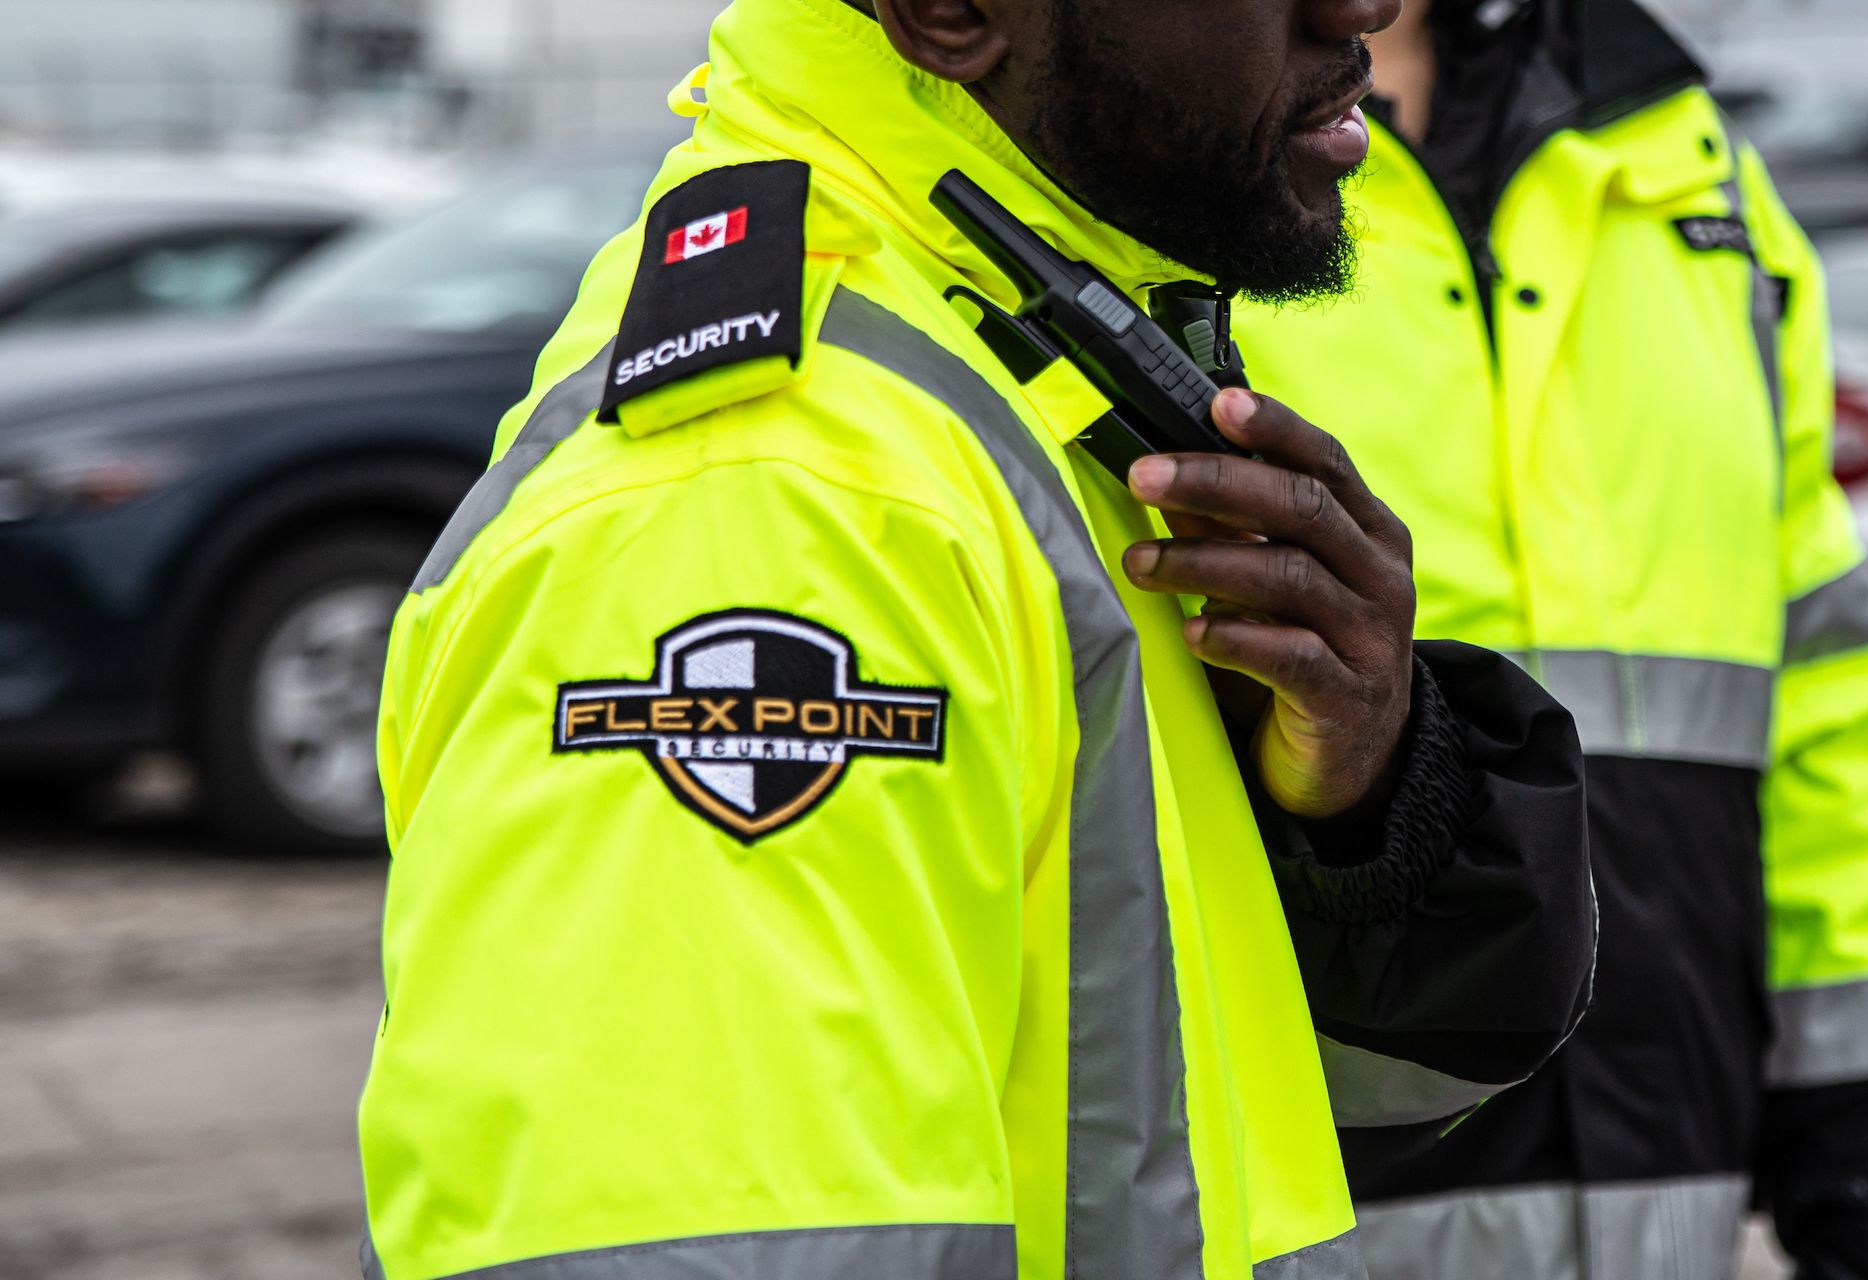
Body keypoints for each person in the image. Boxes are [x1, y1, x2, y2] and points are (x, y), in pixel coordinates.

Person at [357, 0, 1601, 1276]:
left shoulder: (1018, 362)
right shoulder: (785, 504)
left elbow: (1213, 1104)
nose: (1366, 8)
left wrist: (1361, 799)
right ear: (952, 15)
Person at [1233, 0, 1868, 1276]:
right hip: (1300, 1173)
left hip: (1663, 1170)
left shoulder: (1686, 146)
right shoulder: (1167, 132)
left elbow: (1824, 671)